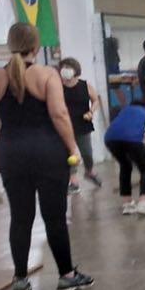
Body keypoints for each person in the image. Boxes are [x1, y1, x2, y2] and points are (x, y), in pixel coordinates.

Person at [0, 23, 92, 290]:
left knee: (20, 218)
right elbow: (59, 115)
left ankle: (20, 280)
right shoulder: (46, 75)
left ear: (10, 46)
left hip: (11, 154)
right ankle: (67, 276)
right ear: (36, 47)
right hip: (48, 153)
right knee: (54, 217)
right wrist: (73, 148)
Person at [59, 57, 104, 192]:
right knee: (69, 155)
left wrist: (91, 112)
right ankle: (73, 182)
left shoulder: (85, 86)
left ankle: (89, 171)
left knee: (87, 153)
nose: (65, 70)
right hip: (65, 125)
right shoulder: (58, 87)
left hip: (83, 124)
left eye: (68, 67)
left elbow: (96, 100)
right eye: (63, 67)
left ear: (75, 70)